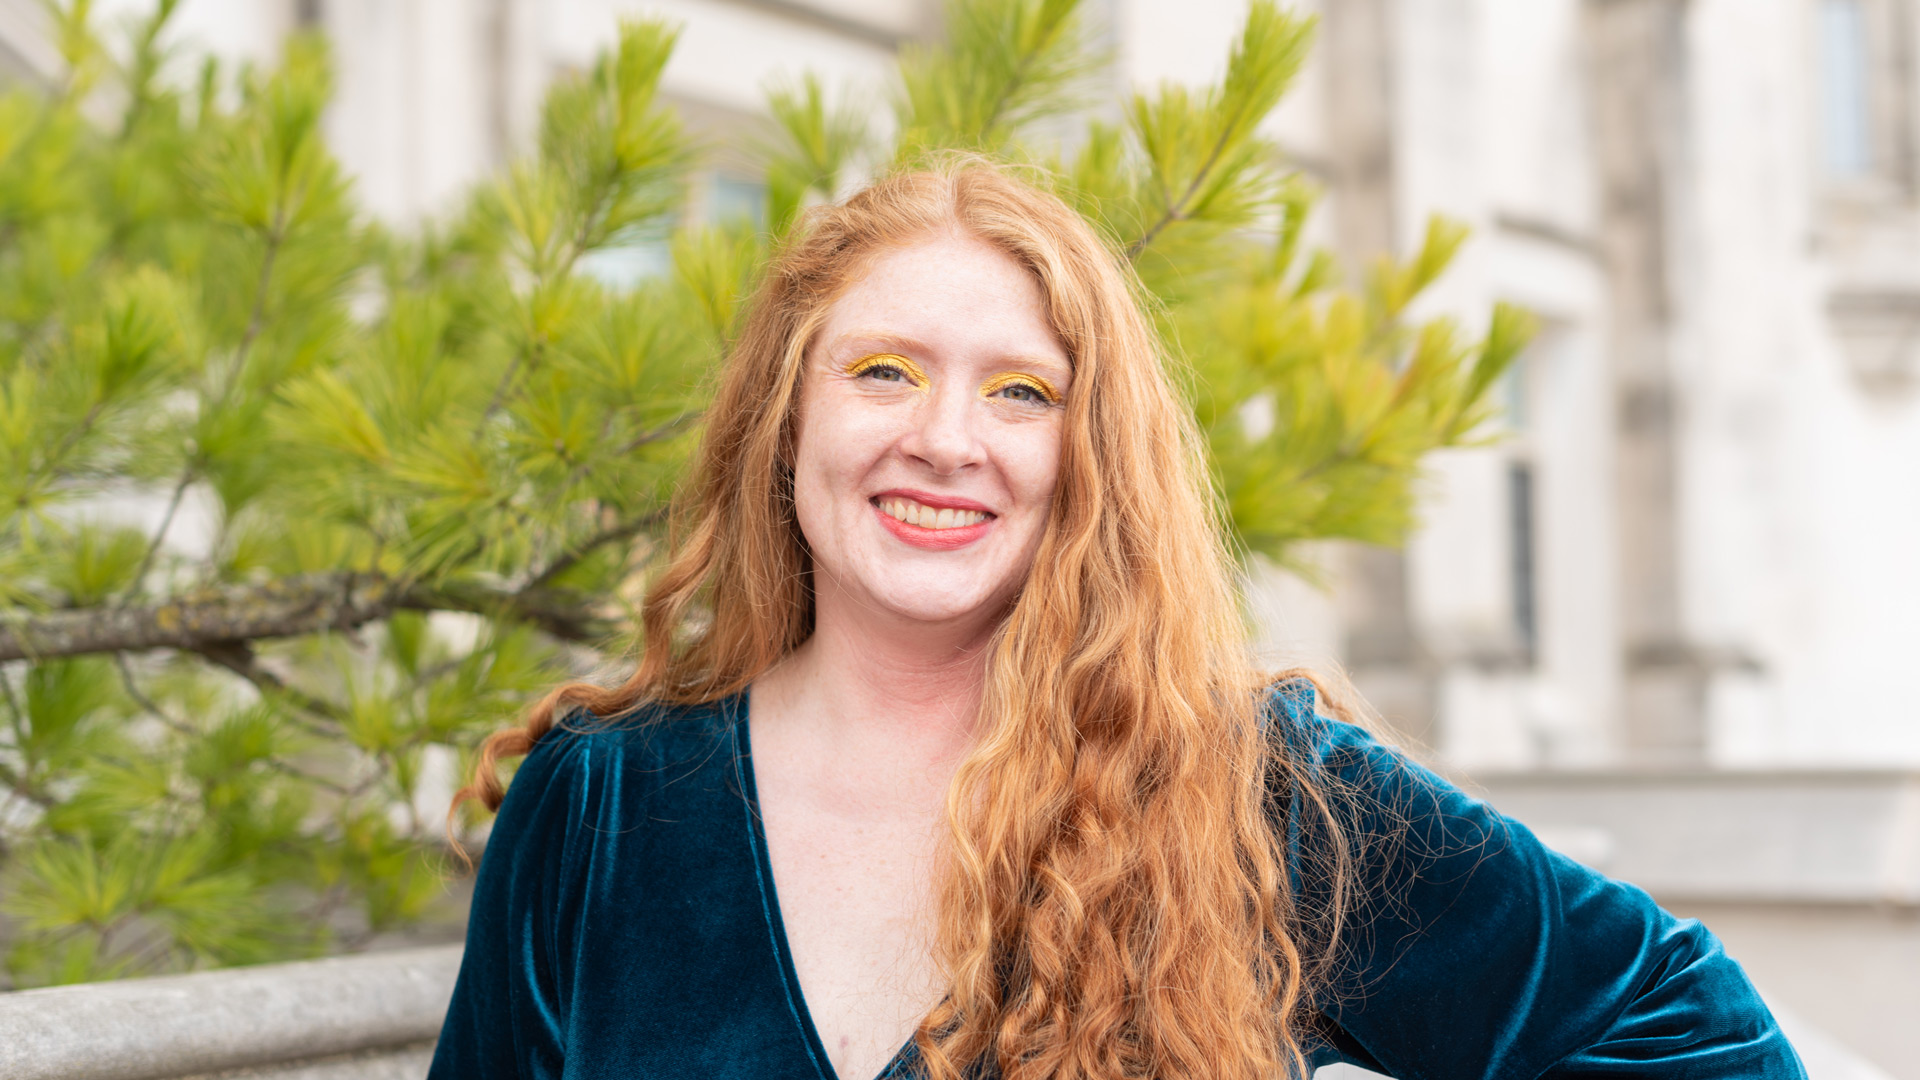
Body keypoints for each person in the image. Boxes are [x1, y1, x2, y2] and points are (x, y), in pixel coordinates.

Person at [429, 162, 1804, 1080]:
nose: (946, 439)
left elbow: (1697, 1037)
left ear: (1090, 460)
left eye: (1022, 392)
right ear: (787, 422)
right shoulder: (597, 810)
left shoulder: (1247, 793)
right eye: (886, 371)